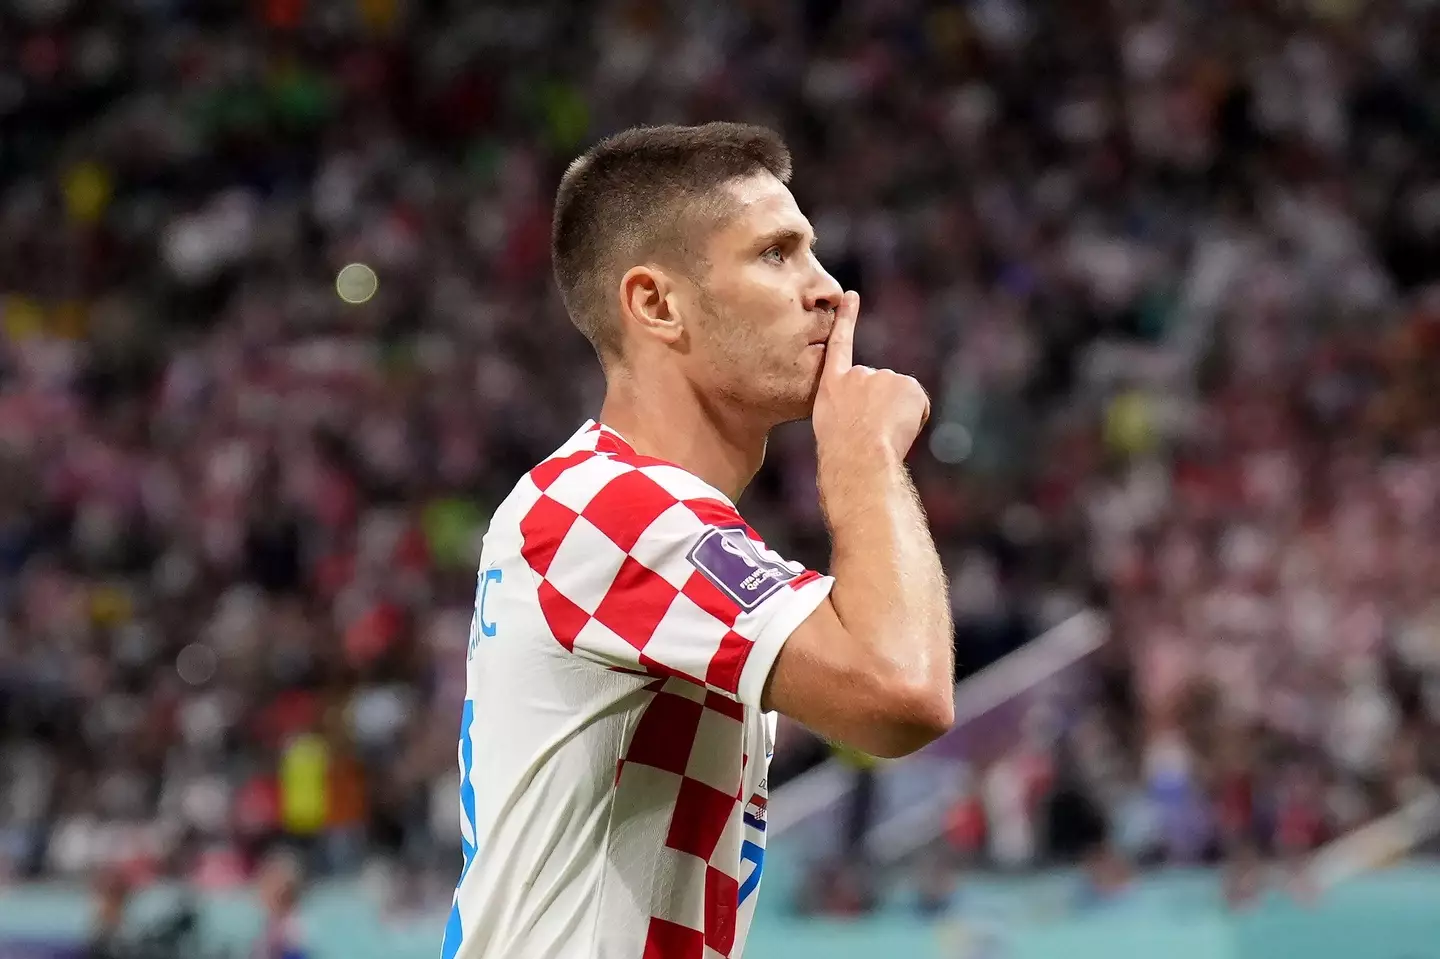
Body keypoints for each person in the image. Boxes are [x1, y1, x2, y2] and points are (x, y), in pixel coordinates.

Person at [442, 122, 955, 959]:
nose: (828, 289)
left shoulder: (632, 512)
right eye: (776, 254)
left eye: (813, 252)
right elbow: (901, 691)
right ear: (655, 303)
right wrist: (861, 453)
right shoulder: (606, 507)